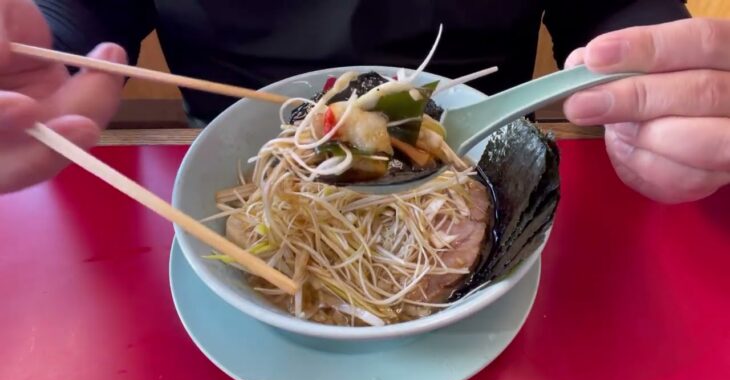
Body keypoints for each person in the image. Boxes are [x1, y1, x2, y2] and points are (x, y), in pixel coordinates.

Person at [0, 0, 726, 203]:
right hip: (226, 171)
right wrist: (36, 56)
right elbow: (73, 18)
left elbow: (618, 9)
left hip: (487, 154)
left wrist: (654, 80)